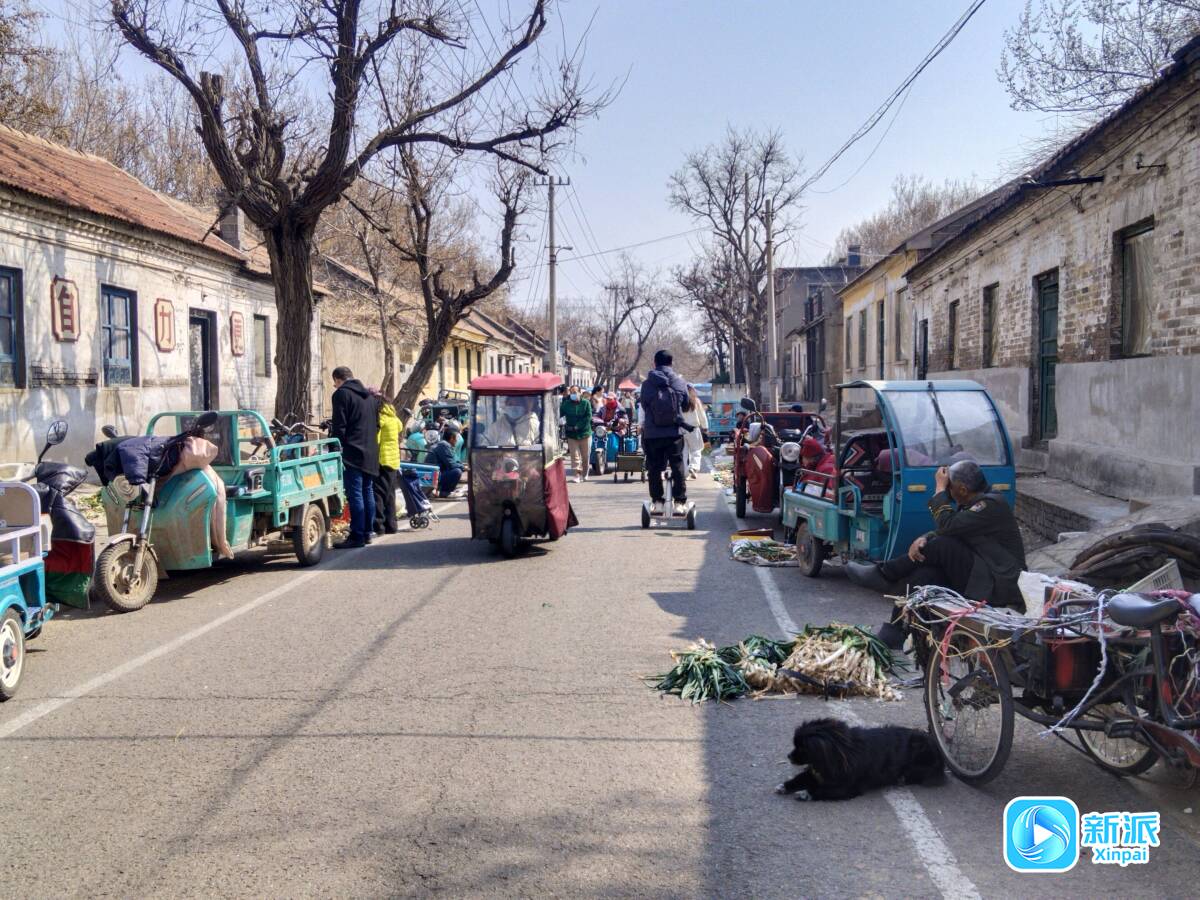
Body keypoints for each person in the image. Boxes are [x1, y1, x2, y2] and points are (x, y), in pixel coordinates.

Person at [846, 459, 1027, 649]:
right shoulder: (976, 501)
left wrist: (939, 489)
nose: (948, 492)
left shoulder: (991, 504)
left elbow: (948, 526)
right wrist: (924, 538)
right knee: (925, 576)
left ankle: (886, 574)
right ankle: (895, 632)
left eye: (950, 487)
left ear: (963, 489)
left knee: (943, 545)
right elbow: (955, 527)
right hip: (984, 574)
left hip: (1000, 583)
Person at [330, 366, 380, 548]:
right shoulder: (370, 397)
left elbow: (339, 426)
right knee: (367, 491)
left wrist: (334, 447)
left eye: (335, 383)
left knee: (355, 493)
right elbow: (377, 425)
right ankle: (367, 532)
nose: (335, 386)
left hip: (352, 452)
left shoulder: (341, 394)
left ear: (338, 379)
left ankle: (357, 535)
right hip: (371, 451)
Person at [640, 349, 691, 516]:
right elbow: (685, 405)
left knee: (654, 468)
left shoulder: (647, 384)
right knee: (677, 466)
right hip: (674, 432)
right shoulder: (679, 382)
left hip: (653, 433)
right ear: (671, 363)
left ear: (654, 363)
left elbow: (644, 406)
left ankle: (658, 502)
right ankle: (679, 503)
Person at [373, 394, 401, 534]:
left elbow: (376, 439)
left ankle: (379, 525)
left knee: (378, 493)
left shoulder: (381, 418)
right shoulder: (394, 418)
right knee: (390, 493)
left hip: (383, 459)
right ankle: (392, 525)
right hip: (394, 460)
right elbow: (400, 428)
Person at [561, 386, 593, 483]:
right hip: (572, 435)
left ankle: (585, 473)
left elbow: (588, 417)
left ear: (580, 393)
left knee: (585, 456)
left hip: (585, 433)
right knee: (574, 456)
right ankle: (576, 475)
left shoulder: (586, 403)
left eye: (575, 392)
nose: (573, 394)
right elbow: (559, 413)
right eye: (571, 392)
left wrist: (578, 426)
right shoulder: (566, 404)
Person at [427, 423, 465, 497]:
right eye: (456, 438)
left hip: (437, 473)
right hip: (433, 476)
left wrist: (461, 465)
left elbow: (454, 460)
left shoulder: (444, 445)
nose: (457, 440)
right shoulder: (444, 445)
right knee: (457, 471)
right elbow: (451, 464)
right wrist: (464, 467)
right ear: (451, 438)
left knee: (458, 468)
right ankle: (444, 492)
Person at [682, 384, 709, 478]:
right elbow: (702, 415)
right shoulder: (696, 401)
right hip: (693, 429)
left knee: (684, 452)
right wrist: (705, 427)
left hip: (681, 429)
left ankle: (685, 473)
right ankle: (694, 467)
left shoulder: (679, 400)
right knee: (696, 449)